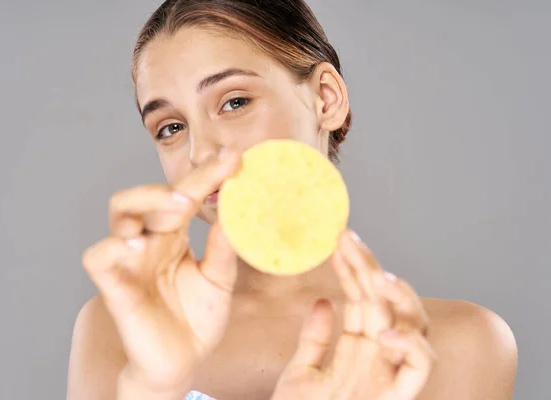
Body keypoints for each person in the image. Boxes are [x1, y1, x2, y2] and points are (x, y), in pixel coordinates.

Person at [67, 1, 518, 399]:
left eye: (235, 101)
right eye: (170, 127)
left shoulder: (458, 343)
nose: (199, 152)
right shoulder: (118, 325)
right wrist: (151, 389)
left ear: (326, 98)